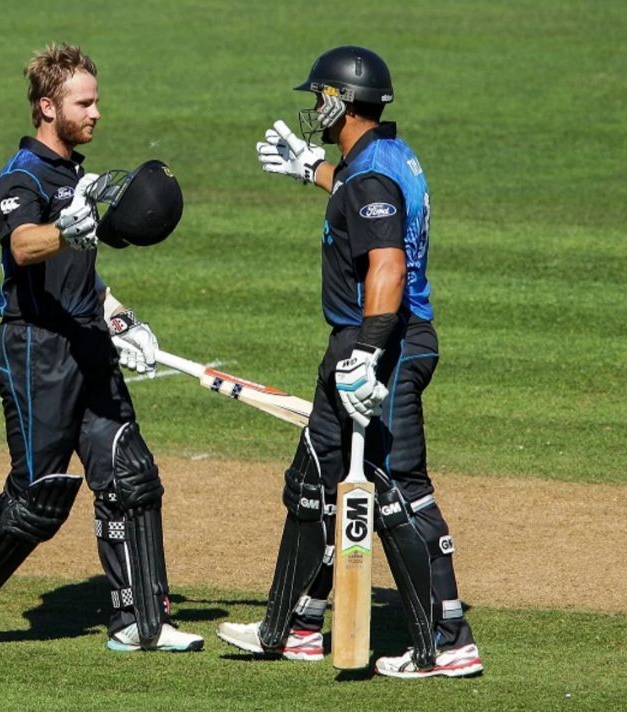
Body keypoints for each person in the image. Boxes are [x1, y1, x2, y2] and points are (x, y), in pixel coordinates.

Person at [0, 42, 203, 654]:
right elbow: (24, 246)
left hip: (87, 340)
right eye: (85, 102)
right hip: (34, 350)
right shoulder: (17, 179)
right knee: (39, 499)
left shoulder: (78, 177)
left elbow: (81, 279)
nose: (97, 113)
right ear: (48, 107)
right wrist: (65, 229)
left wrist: (123, 319)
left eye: (97, 100)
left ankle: (140, 622)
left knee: (131, 476)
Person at [217, 46, 482, 678]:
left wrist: (366, 352)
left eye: (319, 99)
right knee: (313, 478)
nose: (316, 110)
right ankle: (296, 625)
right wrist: (315, 170)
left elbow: (386, 264)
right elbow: (365, 206)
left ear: (340, 102)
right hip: (370, 341)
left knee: (400, 492)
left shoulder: (369, 177)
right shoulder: (386, 157)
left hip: (382, 343)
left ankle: (446, 638)